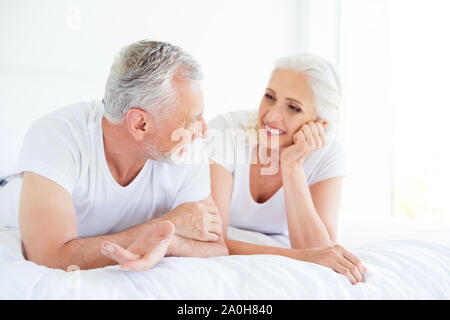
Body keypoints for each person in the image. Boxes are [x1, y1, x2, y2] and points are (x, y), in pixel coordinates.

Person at [17, 40, 228, 272]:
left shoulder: (187, 148)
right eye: (192, 120)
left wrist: (169, 242)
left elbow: (217, 248)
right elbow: (50, 258)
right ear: (140, 124)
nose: (204, 131)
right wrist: (171, 224)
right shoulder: (57, 136)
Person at [208, 53, 366, 284]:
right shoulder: (225, 132)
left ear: (319, 123)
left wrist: (292, 166)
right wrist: (297, 257)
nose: (272, 116)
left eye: (293, 107)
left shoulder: (329, 154)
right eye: (270, 97)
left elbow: (321, 250)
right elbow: (212, 241)